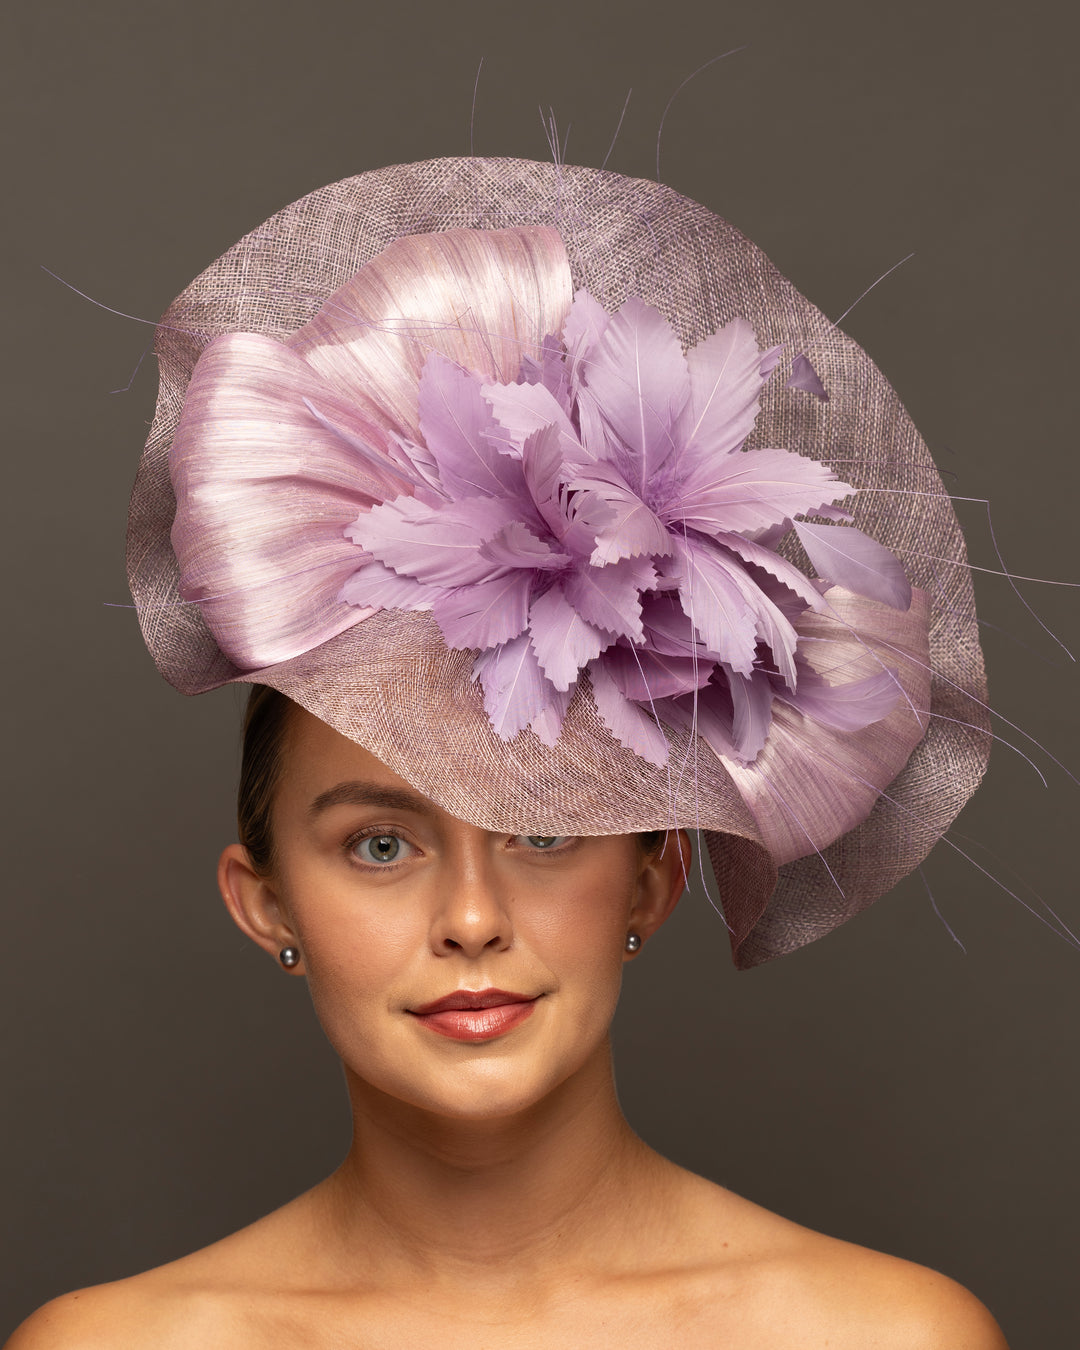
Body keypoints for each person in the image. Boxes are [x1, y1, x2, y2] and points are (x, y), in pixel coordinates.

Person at [6, 157, 1009, 1347]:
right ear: (265, 902)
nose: (472, 919)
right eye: (380, 845)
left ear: (654, 878)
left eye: (542, 829)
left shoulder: (882, 1337)